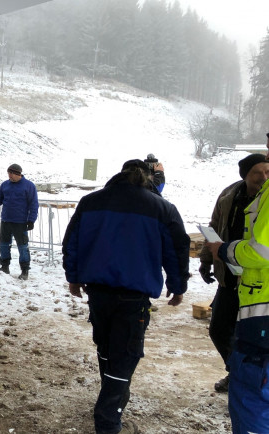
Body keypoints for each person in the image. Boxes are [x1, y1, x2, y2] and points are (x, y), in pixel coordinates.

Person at [63, 159, 190, 434]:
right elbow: (176, 249)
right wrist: (178, 285)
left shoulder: (91, 201)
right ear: (147, 178)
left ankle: (114, 397)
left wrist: (73, 277)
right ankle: (108, 416)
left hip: (98, 291)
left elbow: (72, 241)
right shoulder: (162, 208)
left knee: (107, 347)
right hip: (134, 294)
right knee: (126, 353)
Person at [206, 134, 269, 434]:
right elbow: (215, 226)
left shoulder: (267, 198)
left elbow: (261, 251)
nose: (264, 174)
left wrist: (229, 251)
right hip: (232, 281)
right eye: (258, 172)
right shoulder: (229, 196)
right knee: (219, 329)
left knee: (254, 355)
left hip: (258, 289)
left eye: (266, 170)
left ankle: (243, 375)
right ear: (245, 175)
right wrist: (209, 260)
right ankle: (236, 370)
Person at [0, 163, 38, 280]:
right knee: (4, 245)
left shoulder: (29, 186)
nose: (9, 176)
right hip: (6, 220)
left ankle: (25, 270)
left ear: (18, 174)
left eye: (11, 173)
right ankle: (4, 267)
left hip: (20, 222)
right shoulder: (5, 185)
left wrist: (31, 220)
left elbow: (34, 204)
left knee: (23, 247)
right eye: (8, 173)